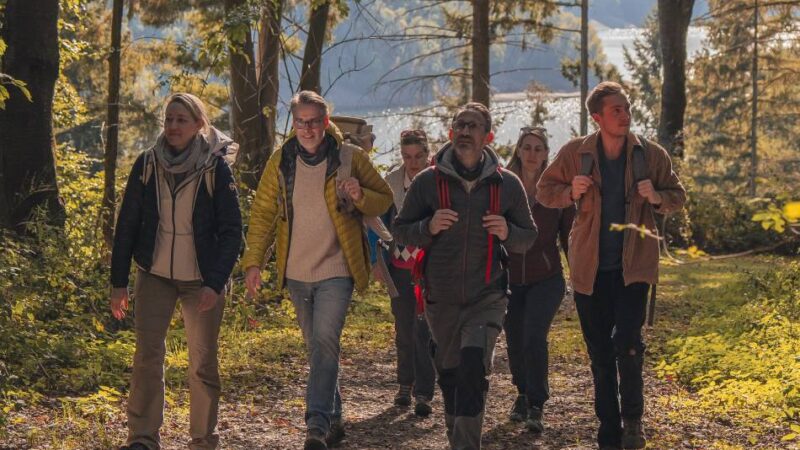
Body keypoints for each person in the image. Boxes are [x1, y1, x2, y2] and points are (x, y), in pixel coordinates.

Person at [537, 81, 686, 450]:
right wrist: (571, 191)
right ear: (597, 117)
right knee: (600, 353)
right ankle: (608, 428)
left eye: (627, 107)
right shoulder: (577, 153)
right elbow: (544, 191)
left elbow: (678, 196)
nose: (625, 114)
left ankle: (633, 420)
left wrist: (657, 197)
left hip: (634, 268)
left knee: (629, 344)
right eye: (616, 109)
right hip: (589, 271)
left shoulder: (650, 155)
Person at [241, 91, 393, 450]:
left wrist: (360, 196)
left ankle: (316, 426)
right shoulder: (282, 161)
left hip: (337, 268)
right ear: (293, 124)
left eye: (314, 121)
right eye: (300, 122)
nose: (307, 129)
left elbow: (384, 198)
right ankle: (335, 415)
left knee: (326, 342)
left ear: (326, 122)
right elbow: (263, 214)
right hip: (296, 270)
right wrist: (253, 262)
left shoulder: (348, 158)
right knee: (317, 349)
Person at [393, 103, 538, 450]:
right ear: (449, 134)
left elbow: (527, 237)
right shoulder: (428, 182)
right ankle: (455, 429)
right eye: (459, 125)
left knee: (473, 368)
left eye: (472, 126)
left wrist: (507, 231)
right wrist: (427, 226)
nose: (464, 131)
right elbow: (399, 231)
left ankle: (464, 444)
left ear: (487, 137)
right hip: (439, 297)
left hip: (486, 295)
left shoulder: (507, 185)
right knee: (451, 373)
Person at [110, 93, 243, 450]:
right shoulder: (147, 163)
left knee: (202, 362)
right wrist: (118, 282)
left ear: (199, 124)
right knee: (147, 357)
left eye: (181, 120)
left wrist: (215, 283)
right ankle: (142, 437)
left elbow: (233, 232)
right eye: (169, 119)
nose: (173, 127)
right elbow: (127, 225)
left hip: (201, 281)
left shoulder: (215, 168)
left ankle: (202, 438)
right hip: (154, 275)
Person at [503, 126, 575, 433]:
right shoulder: (502, 185)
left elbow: (570, 238)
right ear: (518, 150)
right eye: (527, 147)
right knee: (515, 340)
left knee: (534, 337)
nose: (532, 154)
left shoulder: (557, 190)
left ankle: (536, 403)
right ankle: (521, 392)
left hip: (546, 278)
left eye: (539, 148)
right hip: (506, 279)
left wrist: (582, 277)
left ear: (547, 153)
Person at [372, 129, 437, 416]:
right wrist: (377, 259)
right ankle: (404, 384)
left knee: (424, 329)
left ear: (427, 153)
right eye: (408, 156)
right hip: (399, 265)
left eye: (419, 156)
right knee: (404, 329)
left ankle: (424, 391)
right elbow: (376, 222)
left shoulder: (437, 180)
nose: (413, 162)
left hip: (430, 266)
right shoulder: (391, 183)